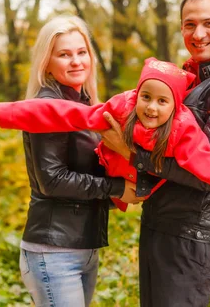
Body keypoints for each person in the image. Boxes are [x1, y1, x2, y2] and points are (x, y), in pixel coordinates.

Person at [100, 0, 210, 306]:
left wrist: (128, 152)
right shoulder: (190, 81)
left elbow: (206, 172)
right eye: (190, 24)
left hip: (191, 239)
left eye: (209, 23)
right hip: (162, 228)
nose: (199, 33)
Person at [0, 57, 210, 213]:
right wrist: (8, 113)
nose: (151, 108)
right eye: (146, 97)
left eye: (162, 101)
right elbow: (67, 114)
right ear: (137, 94)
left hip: (141, 185)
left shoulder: (182, 129)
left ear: (175, 106)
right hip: (110, 173)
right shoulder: (123, 107)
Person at [15, 16, 139, 307]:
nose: (76, 61)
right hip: (53, 251)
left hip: (83, 247)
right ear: (47, 62)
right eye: (64, 54)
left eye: (81, 52)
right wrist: (117, 188)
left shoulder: (83, 104)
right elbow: (52, 181)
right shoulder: (48, 107)